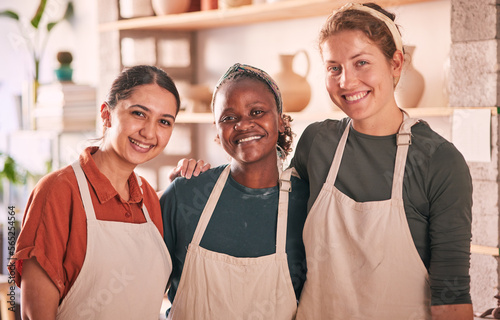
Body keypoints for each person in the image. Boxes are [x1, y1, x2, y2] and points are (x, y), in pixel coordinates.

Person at [291, 3, 473, 320]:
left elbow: (451, 300)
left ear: (396, 64)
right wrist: (199, 177)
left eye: (361, 62)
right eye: (334, 68)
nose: (346, 81)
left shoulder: (439, 161)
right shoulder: (317, 143)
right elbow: (270, 219)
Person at [10, 65, 179, 320]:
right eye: (139, 113)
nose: (149, 132)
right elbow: (37, 315)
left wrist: (192, 181)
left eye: (164, 121)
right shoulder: (58, 192)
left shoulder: (150, 201)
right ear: (106, 114)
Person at [160, 63, 309, 320]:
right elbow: (139, 293)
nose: (243, 124)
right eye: (229, 118)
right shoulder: (185, 194)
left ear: (281, 122)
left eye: (257, 111)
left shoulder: (308, 203)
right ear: (217, 134)